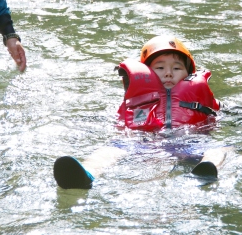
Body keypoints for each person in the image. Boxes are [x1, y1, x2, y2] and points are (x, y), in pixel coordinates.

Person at [53, 36, 230, 190]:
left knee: (220, 148)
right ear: (146, 73)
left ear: (189, 74)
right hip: (143, 143)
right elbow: (118, 122)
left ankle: (206, 171)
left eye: (176, 69)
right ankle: (87, 174)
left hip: (191, 142)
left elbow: (222, 116)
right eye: (160, 68)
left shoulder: (201, 99)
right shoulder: (133, 101)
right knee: (110, 149)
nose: (168, 73)